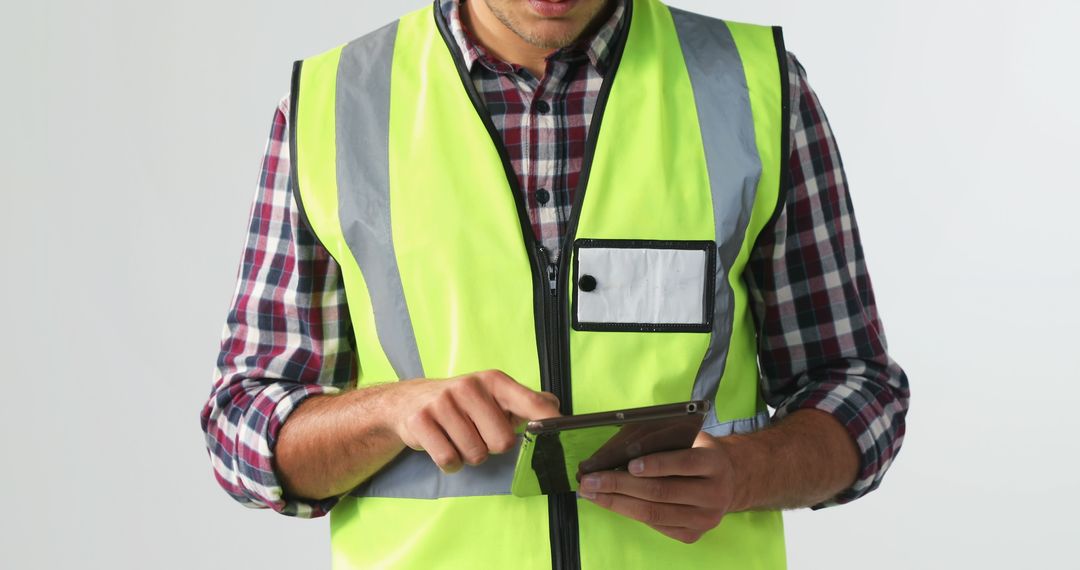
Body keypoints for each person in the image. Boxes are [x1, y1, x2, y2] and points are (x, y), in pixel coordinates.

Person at [200, 0, 910, 567]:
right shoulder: (332, 106)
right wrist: (387, 412)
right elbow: (242, 427)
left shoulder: (756, 88)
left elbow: (859, 390)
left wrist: (745, 472)